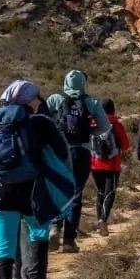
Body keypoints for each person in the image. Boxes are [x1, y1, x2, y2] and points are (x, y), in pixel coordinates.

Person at [0, 79, 73, 279]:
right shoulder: (41, 123)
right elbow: (62, 154)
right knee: (38, 234)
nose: (39, 100)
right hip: (33, 193)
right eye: (36, 96)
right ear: (28, 100)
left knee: (3, 248)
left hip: (0, 195)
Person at [46, 70, 113, 254]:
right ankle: (69, 240)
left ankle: (54, 227)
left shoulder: (54, 100)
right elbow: (105, 127)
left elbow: (42, 119)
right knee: (75, 195)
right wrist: (89, 133)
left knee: (57, 189)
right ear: (83, 83)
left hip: (59, 152)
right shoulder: (91, 103)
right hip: (81, 152)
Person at [88, 96, 129, 233]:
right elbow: (125, 145)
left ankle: (100, 220)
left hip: (94, 164)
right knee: (109, 193)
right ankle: (103, 220)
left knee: (100, 193)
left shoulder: (92, 124)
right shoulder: (116, 125)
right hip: (112, 165)